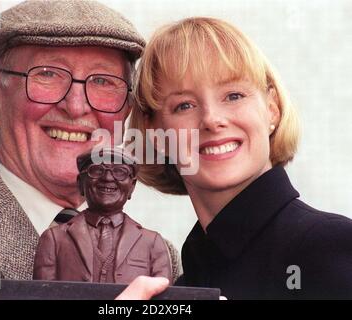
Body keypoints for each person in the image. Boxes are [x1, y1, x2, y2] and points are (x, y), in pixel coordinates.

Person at [0, 0, 181, 300]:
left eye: (103, 81)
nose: (76, 107)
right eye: (48, 74)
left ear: (126, 112)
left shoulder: (161, 253)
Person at [126, 17, 352, 299]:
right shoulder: (179, 287)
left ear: (272, 110)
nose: (211, 119)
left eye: (233, 95)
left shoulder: (328, 246)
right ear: (155, 134)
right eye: (184, 105)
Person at [33, 148, 173, 284]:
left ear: (132, 186)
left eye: (120, 172)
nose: (107, 178)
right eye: (97, 170)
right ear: (81, 183)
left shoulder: (152, 243)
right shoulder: (54, 239)